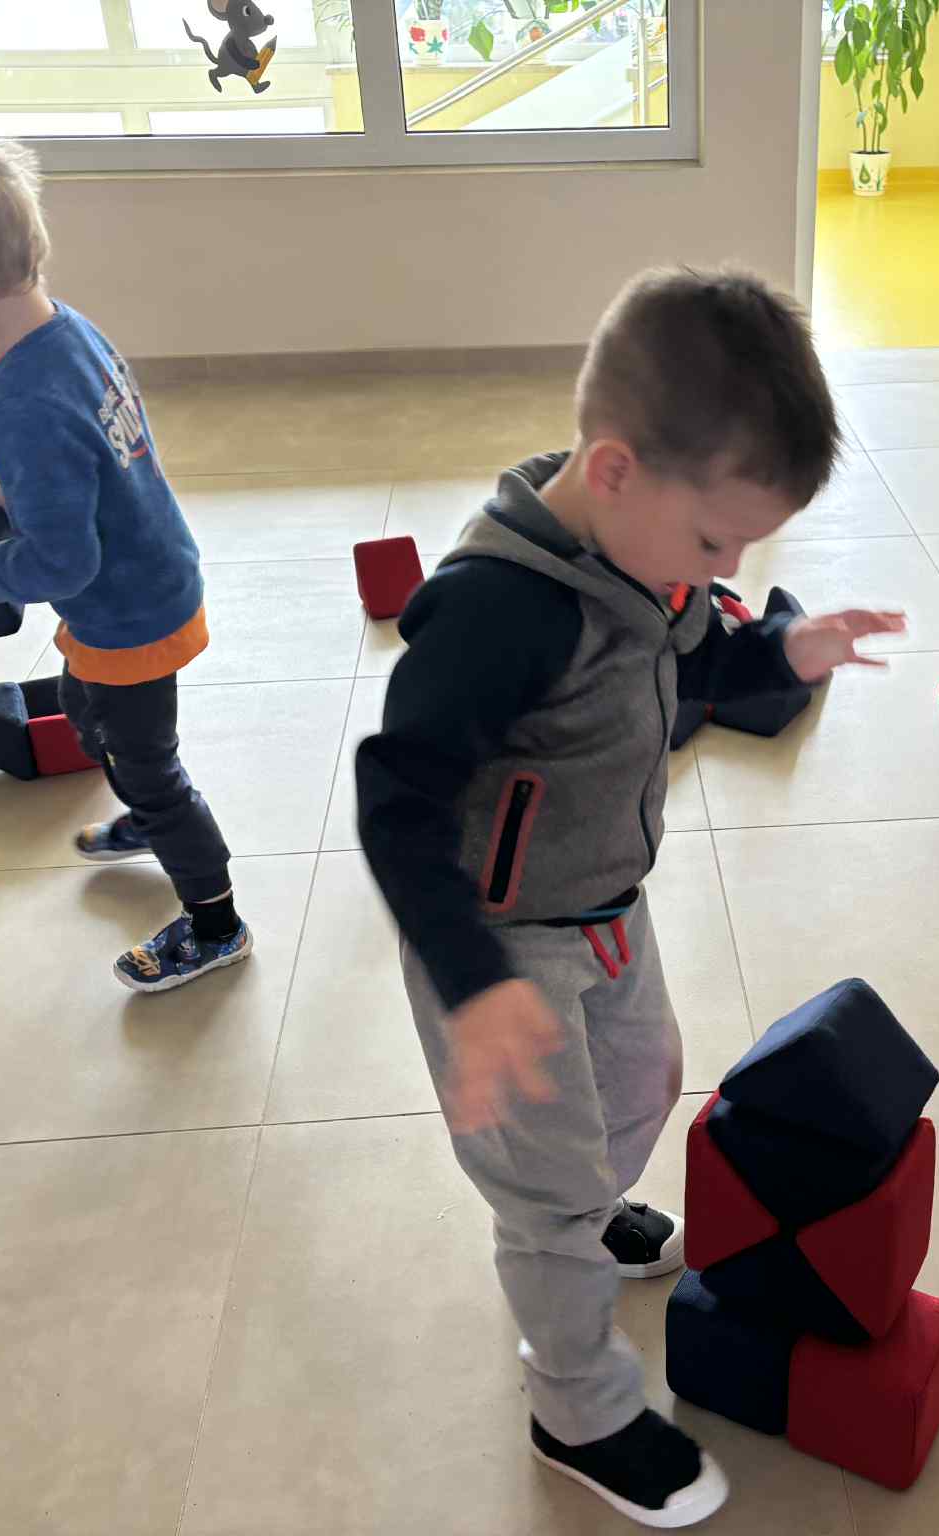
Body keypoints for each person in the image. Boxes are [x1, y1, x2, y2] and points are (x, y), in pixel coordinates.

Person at [358, 268, 904, 1528]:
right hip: (499, 946)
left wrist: (782, 650)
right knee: (543, 1187)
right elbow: (395, 800)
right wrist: (471, 983)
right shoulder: (497, 612)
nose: (728, 567)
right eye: (716, 542)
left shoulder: (646, 556)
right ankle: (575, 1405)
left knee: (648, 1078)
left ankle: (580, 1211)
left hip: (609, 901)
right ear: (611, 471)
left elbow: (698, 654)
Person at [0, 119, 247, 991]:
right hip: (151, 578)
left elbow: (64, 567)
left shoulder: (22, 396)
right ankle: (148, 811)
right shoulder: (64, 331)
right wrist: (23, 500)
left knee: (148, 766)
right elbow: (93, 460)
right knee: (81, 712)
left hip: (128, 613)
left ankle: (215, 923)